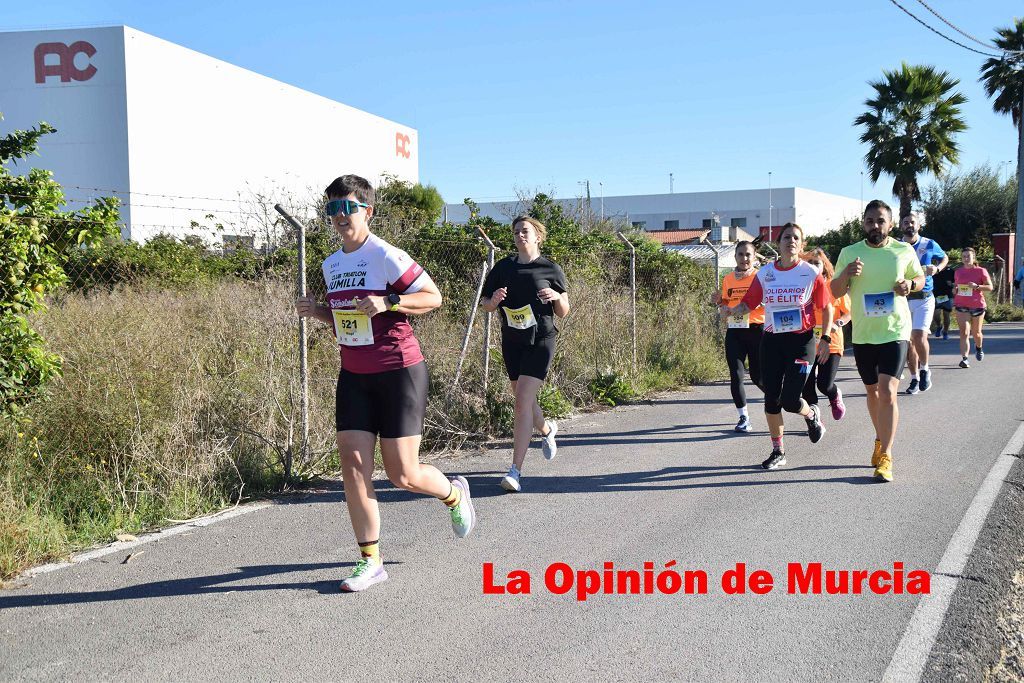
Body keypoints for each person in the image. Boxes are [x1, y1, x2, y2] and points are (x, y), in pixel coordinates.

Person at [295, 174, 476, 592]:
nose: (340, 217)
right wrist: (318, 311)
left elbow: (433, 297)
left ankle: (453, 493)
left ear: (367, 211)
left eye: (348, 208)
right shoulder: (331, 263)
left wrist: (390, 300)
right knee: (353, 469)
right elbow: (349, 319)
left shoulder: (387, 256)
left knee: (403, 474)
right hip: (354, 375)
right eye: (332, 210)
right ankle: (370, 561)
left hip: (399, 372)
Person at [831, 200, 925, 483]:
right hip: (863, 334)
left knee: (887, 391)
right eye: (870, 220)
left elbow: (919, 277)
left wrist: (910, 285)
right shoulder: (849, 253)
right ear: (863, 224)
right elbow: (834, 291)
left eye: (880, 220)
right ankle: (880, 438)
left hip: (895, 331)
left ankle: (886, 454)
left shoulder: (903, 250)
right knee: (872, 392)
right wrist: (847, 274)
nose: (875, 226)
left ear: (891, 224)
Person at [726, 223, 832, 470]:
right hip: (772, 341)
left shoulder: (810, 273)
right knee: (771, 400)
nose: (791, 241)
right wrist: (731, 311)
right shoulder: (765, 273)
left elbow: (826, 307)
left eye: (796, 238)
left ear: (801, 244)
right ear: (779, 243)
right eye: (786, 237)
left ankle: (812, 415)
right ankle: (778, 451)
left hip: (801, 342)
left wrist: (825, 338)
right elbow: (749, 304)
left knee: (790, 400)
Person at [481, 216, 568, 493]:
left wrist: (555, 298)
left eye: (525, 231)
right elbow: (485, 303)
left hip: (541, 339)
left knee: (521, 403)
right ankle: (546, 430)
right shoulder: (503, 268)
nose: (520, 235)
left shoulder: (550, 269)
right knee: (524, 399)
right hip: (513, 339)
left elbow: (564, 310)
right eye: (516, 231)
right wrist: (492, 302)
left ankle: (515, 471)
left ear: (537, 236)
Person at [715, 241, 766, 433]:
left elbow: (768, 301)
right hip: (735, 330)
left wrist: (754, 306)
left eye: (748, 255)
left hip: (756, 329)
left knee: (758, 377)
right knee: (736, 375)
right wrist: (721, 304)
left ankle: (779, 400)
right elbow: (727, 301)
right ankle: (743, 417)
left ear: (754, 257)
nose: (744, 258)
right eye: (740, 254)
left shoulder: (760, 277)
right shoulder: (728, 278)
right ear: (735, 257)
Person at [899, 213, 947, 394]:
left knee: (918, 335)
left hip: (925, 297)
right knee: (909, 343)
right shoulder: (897, 246)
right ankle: (914, 378)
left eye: (912, 222)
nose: (909, 225)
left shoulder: (929, 244)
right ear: (901, 226)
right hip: (904, 299)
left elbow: (944, 258)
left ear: (918, 225)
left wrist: (937, 268)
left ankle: (925, 369)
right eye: (905, 222)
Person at [800, 248, 850, 421]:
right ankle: (814, 420)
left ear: (824, 266)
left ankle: (834, 395)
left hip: (831, 342)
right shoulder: (801, 287)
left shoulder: (834, 286)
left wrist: (839, 323)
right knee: (806, 385)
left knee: (824, 384)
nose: (813, 266)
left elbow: (849, 312)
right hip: (806, 344)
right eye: (810, 263)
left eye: (817, 263)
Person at [953, 247, 994, 368]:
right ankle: (964, 359)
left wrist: (977, 286)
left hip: (977, 305)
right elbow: (956, 287)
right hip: (961, 304)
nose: (966, 259)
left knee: (976, 333)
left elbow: (990, 287)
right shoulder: (958, 272)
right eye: (964, 256)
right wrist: (954, 290)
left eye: (968, 256)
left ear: (973, 257)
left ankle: (979, 348)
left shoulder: (981, 271)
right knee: (964, 333)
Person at [931, 263, 955, 341]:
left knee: (946, 315)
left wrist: (952, 284)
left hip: (948, 295)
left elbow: (956, 283)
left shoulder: (951, 271)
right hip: (937, 295)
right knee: (936, 314)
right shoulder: (934, 270)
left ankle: (945, 332)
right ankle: (939, 326)